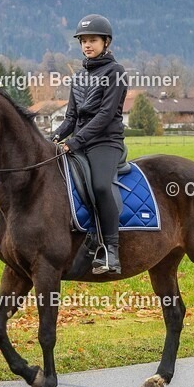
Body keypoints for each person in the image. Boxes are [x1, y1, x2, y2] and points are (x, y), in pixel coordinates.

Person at [51, 14, 128, 274]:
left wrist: (75, 141)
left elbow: (105, 116)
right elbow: (71, 117)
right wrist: (55, 137)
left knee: (100, 186)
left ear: (106, 42)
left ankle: (111, 252)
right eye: (83, 41)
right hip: (80, 141)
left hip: (106, 141)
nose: (87, 45)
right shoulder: (80, 76)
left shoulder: (115, 73)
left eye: (92, 40)